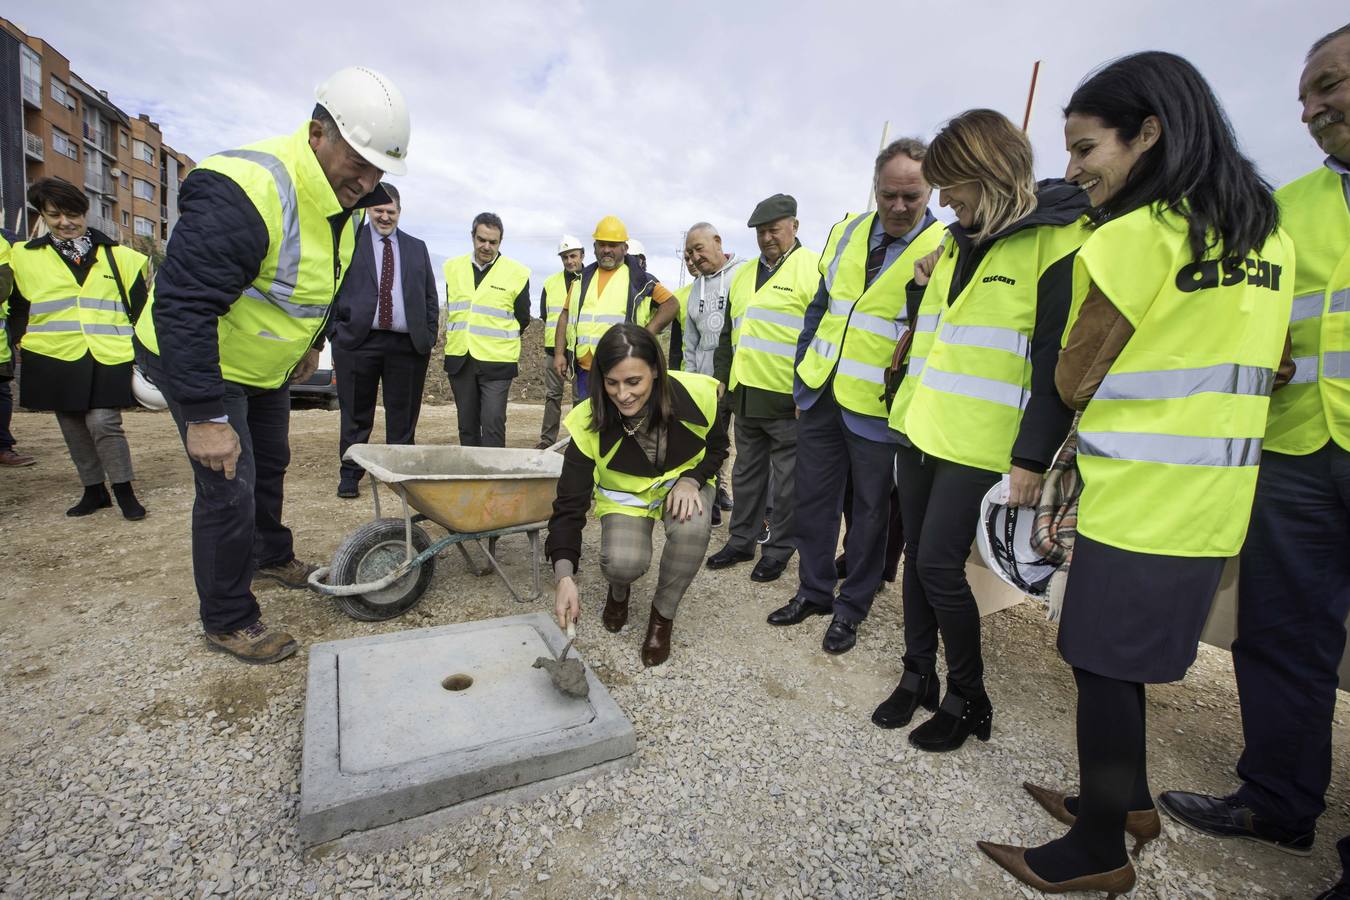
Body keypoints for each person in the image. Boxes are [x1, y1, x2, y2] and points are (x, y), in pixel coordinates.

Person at [978, 52, 1292, 895]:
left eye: (1086, 148)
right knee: (1115, 661)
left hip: (1140, 498)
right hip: (1215, 502)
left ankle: (1099, 851)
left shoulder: (1136, 240)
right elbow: (1280, 361)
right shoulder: (1271, 236)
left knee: (1098, 661)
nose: (1074, 169)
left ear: (1148, 132)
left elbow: (1076, 377)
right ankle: (1130, 804)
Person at [135, 66, 410, 664]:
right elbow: (183, 306)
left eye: (378, 172)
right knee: (227, 485)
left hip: (266, 366)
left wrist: (314, 342)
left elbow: (325, 282)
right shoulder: (247, 188)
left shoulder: (346, 203)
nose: (366, 182)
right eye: (357, 163)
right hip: (206, 362)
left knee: (272, 463)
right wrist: (206, 415)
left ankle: (268, 555)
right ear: (318, 133)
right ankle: (228, 617)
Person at [1157, 23, 1350, 859]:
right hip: (1302, 448)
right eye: (1307, 94)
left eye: (1332, 85)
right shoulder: (1287, 210)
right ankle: (1278, 798)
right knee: (1280, 634)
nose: (1313, 107)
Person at [881, 110, 1088, 752]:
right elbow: (943, 336)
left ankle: (967, 696)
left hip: (982, 444)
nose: (943, 200)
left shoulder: (1059, 240)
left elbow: (1057, 362)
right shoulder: (955, 243)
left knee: (941, 566)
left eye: (951, 185)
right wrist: (919, 293)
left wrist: (1031, 457)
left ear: (989, 174)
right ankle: (917, 672)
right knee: (918, 559)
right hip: (920, 428)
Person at [768, 139, 945, 654]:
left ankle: (852, 607)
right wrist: (804, 377)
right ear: (876, 187)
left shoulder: (943, 245)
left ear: (929, 189)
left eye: (911, 196)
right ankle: (815, 591)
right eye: (889, 194)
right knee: (814, 501)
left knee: (870, 513)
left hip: (879, 408)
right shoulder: (846, 231)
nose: (898, 207)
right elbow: (820, 308)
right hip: (822, 393)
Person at [546, 323, 728, 667]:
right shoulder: (587, 423)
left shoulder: (699, 396)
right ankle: (619, 591)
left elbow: (718, 449)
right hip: (626, 500)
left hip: (682, 487)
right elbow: (569, 505)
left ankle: (662, 616)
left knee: (693, 527)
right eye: (611, 383)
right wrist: (564, 575)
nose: (623, 394)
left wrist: (692, 479)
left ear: (656, 371)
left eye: (634, 382)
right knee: (622, 563)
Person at [7, 177, 148, 516]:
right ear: (42, 215)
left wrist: (148, 356)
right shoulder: (23, 257)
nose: (65, 222)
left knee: (103, 422)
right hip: (52, 353)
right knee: (71, 425)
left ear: (85, 213)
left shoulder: (122, 257)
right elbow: (18, 308)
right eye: (54, 215)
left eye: (72, 214)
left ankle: (124, 490)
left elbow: (142, 312)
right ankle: (94, 490)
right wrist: (13, 344)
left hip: (108, 352)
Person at [706, 194, 819, 582]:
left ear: (794, 227)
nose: (767, 238)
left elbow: (822, 337)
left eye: (774, 229)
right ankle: (741, 540)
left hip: (789, 399)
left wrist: (808, 392)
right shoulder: (743, 275)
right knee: (746, 474)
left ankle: (778, 549)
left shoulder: (814, 270)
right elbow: (727, 334)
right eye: (760, 232)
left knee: (787, 484)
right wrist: (723, 377)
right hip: (746, 395)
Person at [331, 182, 439, 498]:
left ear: (399, 213)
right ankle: (350, 474)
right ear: (368, 209)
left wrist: (429, 334)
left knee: (402, 418)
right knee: (355, 415)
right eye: (379, 210)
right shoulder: (349, 241)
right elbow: (330, 286)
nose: (385, 217)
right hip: (357, 341)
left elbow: (430, 295)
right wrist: (335, 331)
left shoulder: (417, 248)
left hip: (406, 346)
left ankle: (401, 474)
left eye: (390, 211)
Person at [552, 216, 679, 400]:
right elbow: (565, 315)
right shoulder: (581, 279)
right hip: (584, 370)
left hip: (620, 370)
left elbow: (671, 303)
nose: (606, 250)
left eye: (612, 245)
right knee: (585, 424)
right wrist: (559, 354)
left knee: (617, 424)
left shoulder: (639, 279)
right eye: (602, 244)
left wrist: (647, 334)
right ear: (594, 247)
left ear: (624, 248)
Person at [443, 212, 531, 448]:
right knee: (467, 426)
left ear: (500, 242)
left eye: (493, 242)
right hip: (461, 359)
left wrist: (497, 339)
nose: (486, 246)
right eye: (482, 239)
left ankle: (493, 482)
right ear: (473, 237)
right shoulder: (452, 268)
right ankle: (472, 480)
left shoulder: (517, 273)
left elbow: (523, 317)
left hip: (497, 362)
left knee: (492, 423)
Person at [682, 221, 748, 522]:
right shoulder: (695, 290)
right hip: (708, 383)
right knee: (710, 441)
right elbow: (690, 342)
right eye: (689, 253)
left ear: (718, 242)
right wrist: (691, 382)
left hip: (744, 378)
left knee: (747, 449)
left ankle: (754, 513)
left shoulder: (744, 275)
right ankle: (714, 495)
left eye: (699, 249)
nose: (694, 258)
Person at [536, 235, 585, 449]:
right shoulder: (550, 283)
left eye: (573, 256)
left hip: (580, 349)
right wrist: (557, 349)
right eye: (565, 257)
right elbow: (546, 315)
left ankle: (578, 442)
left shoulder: (590, 280)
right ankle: (547, 440)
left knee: (579, 398)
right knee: (552, 396)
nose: (569, 261)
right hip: (553, 350)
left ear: (582, 255)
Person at [0, 228, 35, 468]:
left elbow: (17, 298)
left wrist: (14, 332)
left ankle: (3, 446)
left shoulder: (5, 244)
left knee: (2, 393)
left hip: (1, 342)